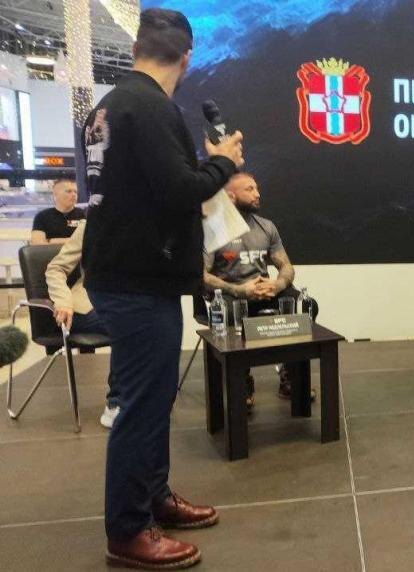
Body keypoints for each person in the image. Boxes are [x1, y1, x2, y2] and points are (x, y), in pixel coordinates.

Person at [80, 8, 243, 570]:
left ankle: (153, 498)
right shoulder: (152, 108)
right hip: (138, 281)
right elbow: (179, 191)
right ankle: (128, 531)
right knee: (142, 406)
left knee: (152, 401)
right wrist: (223, 164)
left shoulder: (108, 107)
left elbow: (144, 188)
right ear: (187, 57)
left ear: (136, 50)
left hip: (123, 273)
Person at [204, 172, 307, 406]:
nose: (257, 194)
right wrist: (239, 290)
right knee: (229, 307)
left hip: (264, 293)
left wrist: (276, 285)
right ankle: (241, 383)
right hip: (231, 296)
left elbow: (286, 266)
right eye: (249, 189)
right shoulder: (213, 229)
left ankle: (291, 378)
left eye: (257, 188)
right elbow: (201, 275)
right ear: (231, 196)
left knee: (292, 299)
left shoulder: (266, 226)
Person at [45, 222, 120, 428]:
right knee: (127, 325)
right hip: (86, 306)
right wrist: (63, 300)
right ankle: (117, 402)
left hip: (128, 303)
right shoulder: (91, 225)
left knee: (151, 322)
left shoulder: (147, 223)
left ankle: (148, 396)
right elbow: (56, 268)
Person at [30, 178, 86, 245]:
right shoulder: (42, 216)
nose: (74, 195)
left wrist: (51, 241)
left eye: (75, 192)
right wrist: (72, 241)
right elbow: (37, 243)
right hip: (51, 252)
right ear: (55, 195)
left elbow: (88, 241)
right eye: (69, 191)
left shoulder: (84, 215)